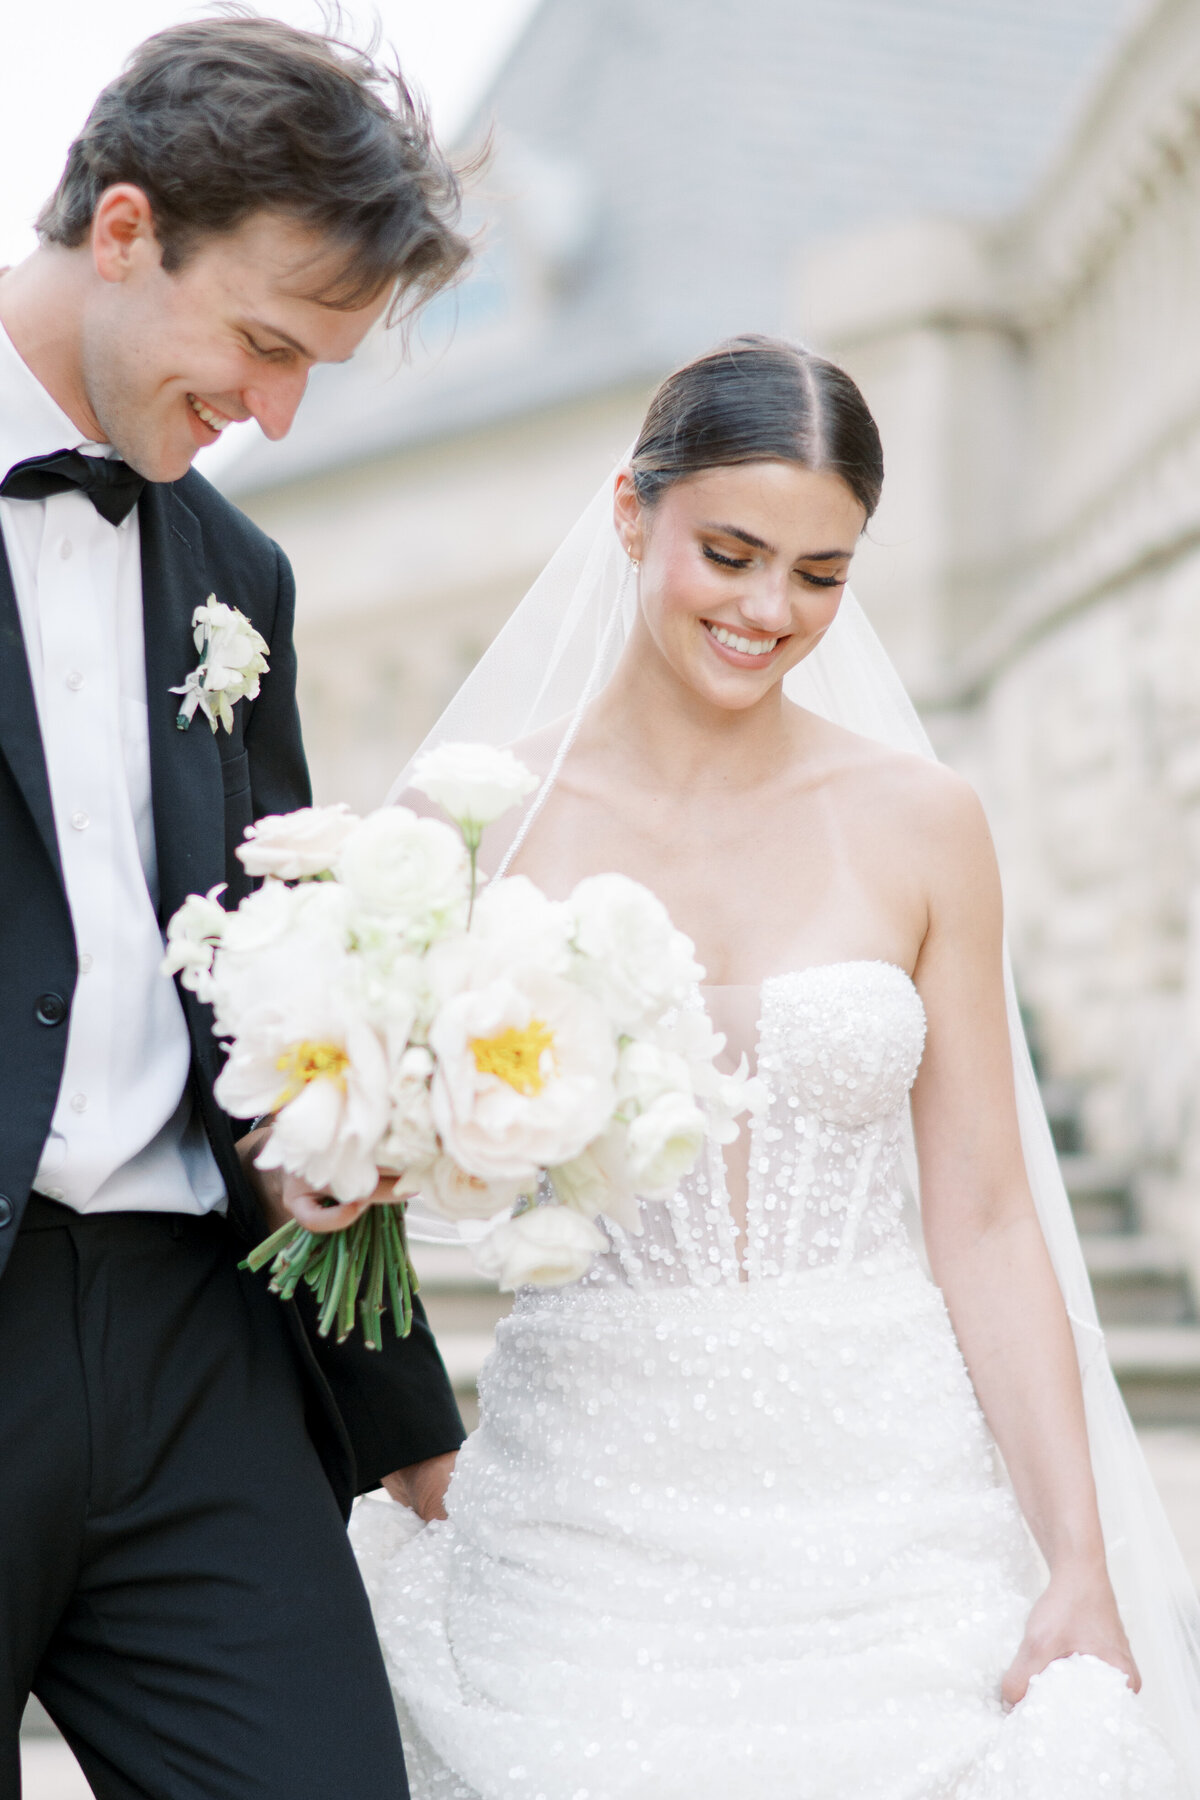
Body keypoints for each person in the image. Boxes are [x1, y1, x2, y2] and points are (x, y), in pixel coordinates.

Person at [349, 337, 1200, 1797]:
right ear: (632, 513)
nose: (767, 610)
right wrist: (404, 1437)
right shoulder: (469, 820)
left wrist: (1079, 1559)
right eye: (730, 553)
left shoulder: (924, 821)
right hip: (584, 1515)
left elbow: (988, 1214)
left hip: (893, 1508)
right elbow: (352, 1183)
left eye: (819, 574)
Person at [0, 15, 470, 1798]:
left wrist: (404, 1410)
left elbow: (270, 1007)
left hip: (202, 1342)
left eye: (316, 374)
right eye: (266, 344)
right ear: (125, 228)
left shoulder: (237, 576)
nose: (275, 416)